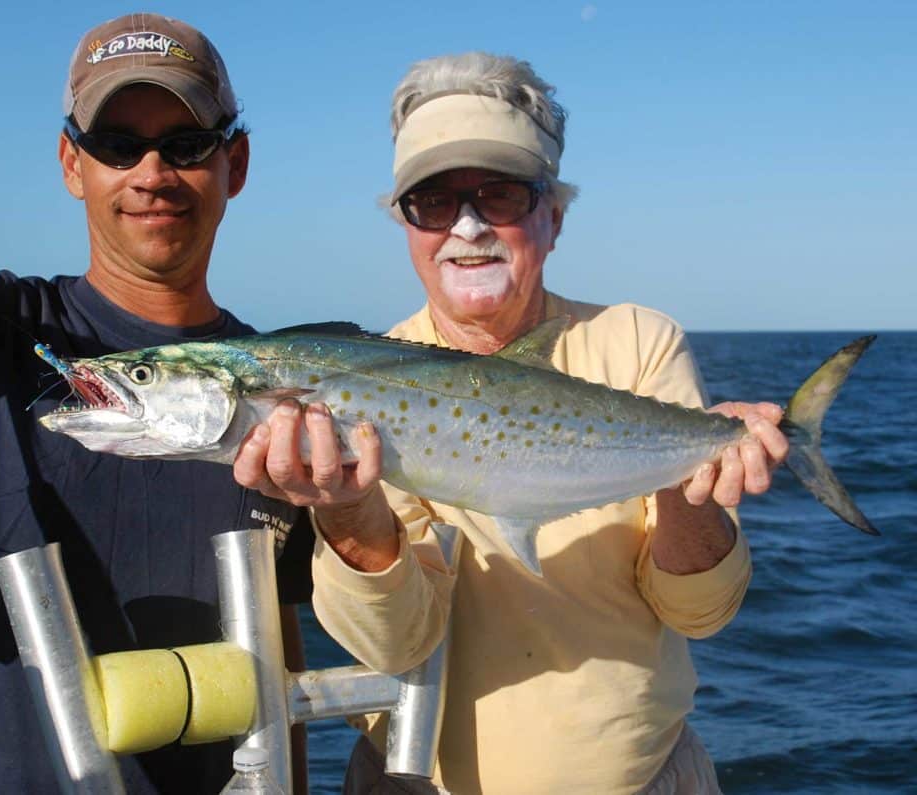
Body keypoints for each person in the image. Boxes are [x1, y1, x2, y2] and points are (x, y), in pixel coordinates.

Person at [234, 53, 789, 794]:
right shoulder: (360, 385)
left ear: (553, 216)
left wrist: (687, 484)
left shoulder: (637, 342)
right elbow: (398, 641)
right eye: (432, 202)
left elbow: (700, 611)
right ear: (405, 227)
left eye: (499, 195)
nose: (466, 225)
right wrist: (346, 504)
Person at [0, 14, 315, 794]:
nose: (151, 172)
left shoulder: (288, 392)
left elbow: (280, 641)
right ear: (70, 162)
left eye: (185, 144)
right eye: (118, 144)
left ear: (236, 162)